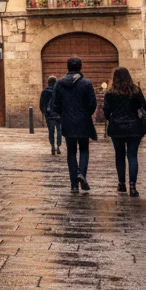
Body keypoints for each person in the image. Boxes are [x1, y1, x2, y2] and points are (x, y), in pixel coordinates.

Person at [52, 57, 97, 192]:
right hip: (83, 122)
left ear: (68, 67)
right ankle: (81, 174)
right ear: (80, 67)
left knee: (71, 152)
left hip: (67, 122)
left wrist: (63, 115)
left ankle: (73, 185)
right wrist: (86, 114)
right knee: (84, 149)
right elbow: (92, 104)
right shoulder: (86, 84)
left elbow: (55, 104)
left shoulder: (59, 84)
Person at [104, 66, 146, 197]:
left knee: (119, 155)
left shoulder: (110, 92)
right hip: (134, 127)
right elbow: (144, 107)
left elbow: (106, 112)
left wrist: (113, 117)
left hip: (117, 127)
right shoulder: (135, 90)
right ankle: (133, 186)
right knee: (132, 156)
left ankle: (121, 184)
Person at [38, 76, 61, 155]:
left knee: (51, 131)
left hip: (49, 115)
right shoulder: (59, 91)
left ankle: (52, 147)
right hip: (58, 115)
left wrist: (44, 113)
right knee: (59, 131)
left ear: (48, 82)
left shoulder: (45, 91)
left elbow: (41, 104)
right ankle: (58, 146)